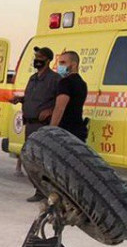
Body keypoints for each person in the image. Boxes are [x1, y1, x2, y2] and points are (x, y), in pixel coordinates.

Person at [11, 47, 61, 198]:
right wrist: (20, 99)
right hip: (30, 124)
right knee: (31, 158)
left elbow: (61, 101)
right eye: (36, 56)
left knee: (42, 159)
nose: (36, 60)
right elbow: (30, 97)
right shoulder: (33, 78)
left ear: (48, 60)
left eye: (40, 57)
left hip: (42, 125)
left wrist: (51, 110)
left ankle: (44, 191)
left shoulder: (54, 79)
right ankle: (39, 189)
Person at [50, 50, 89, 142]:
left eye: (63, 63)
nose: (60, 66)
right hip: (78, 131)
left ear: (74, 65)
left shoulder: (65, 82)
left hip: (65, 132)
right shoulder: (82, 83)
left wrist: (50, 130)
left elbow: (59, 108)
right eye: (59, 63)